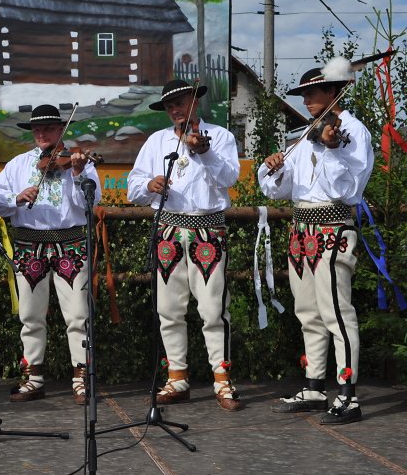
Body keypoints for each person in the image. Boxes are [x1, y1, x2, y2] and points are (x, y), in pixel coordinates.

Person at [258, 61, 374, 425]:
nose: (306, 99)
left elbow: (348, 190)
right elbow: (281, 188)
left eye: (312, 93)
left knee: (338, 313)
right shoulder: (306, 133)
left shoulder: (352, 132)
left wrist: (333, 148)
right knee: (307, 312)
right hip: (301, 230)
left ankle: (349, 396)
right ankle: (314, 387)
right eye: (304, 93)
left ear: (334, 91)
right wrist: (275, 166)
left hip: (334, 229)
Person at [126, 79, 242, 411]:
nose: (176, 109)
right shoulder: (156, 141)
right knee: (169, 310)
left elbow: (229, 178)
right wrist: (150, 183)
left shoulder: (219, 136)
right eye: (170, 105)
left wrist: (204, 153)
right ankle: (177, 377)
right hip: (169, 231)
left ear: (195, 101)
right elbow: (134, 186)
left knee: (213, 309)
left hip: (208, 230)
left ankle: (222, 379)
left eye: (182, 101)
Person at [0, 104, 101, 405]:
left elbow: (90, 204)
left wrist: (77, 174)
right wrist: (16, 197)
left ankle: (81, 377)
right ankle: (33, 378)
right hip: (29, 244)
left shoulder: (80, 163)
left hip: (71, 243)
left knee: (78, 314)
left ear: (61, 130)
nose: (41, 133)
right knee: (30, 316)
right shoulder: (18, 165)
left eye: (48, 128)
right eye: (37, 129)